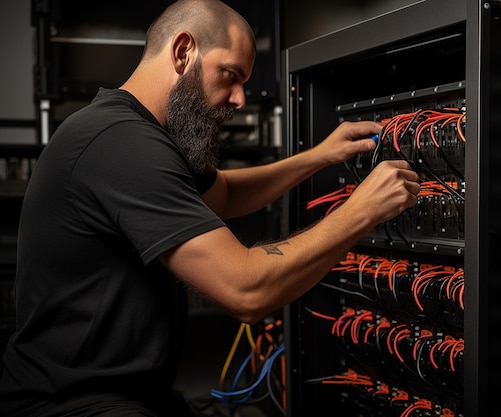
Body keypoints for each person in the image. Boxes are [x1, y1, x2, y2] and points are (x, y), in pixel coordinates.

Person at [0, 0, 420, 415]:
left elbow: (226, 195)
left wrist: (318, 156)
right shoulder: (119, 143)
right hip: (69, 405)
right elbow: (247, 290)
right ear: (183, 52)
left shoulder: (137, 133)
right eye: (230, 75)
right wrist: (361, 210)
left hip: (124, 394)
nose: (239, 98)